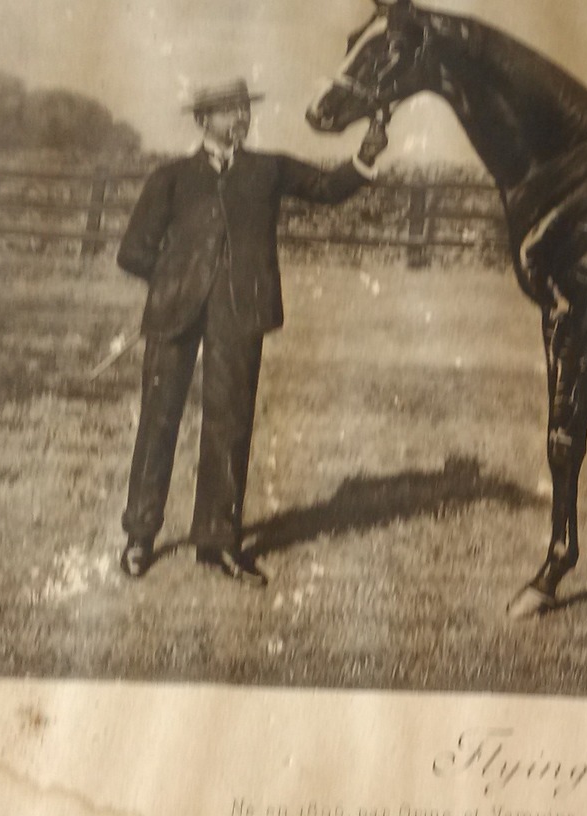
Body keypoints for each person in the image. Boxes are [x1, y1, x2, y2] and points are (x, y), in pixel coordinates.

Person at [116, 78, 389, 586]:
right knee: (158, 421)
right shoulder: (171, 178)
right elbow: (132, 252)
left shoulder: (268, 170)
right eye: (226, 111)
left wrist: (367, 153)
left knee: (231, 423)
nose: (239, 118)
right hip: (172, 314)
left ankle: (218, 543)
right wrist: (178, 279)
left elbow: (328, 189)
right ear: (203, 121)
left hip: (240, 314)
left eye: (243, 109)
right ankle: (139, 537)